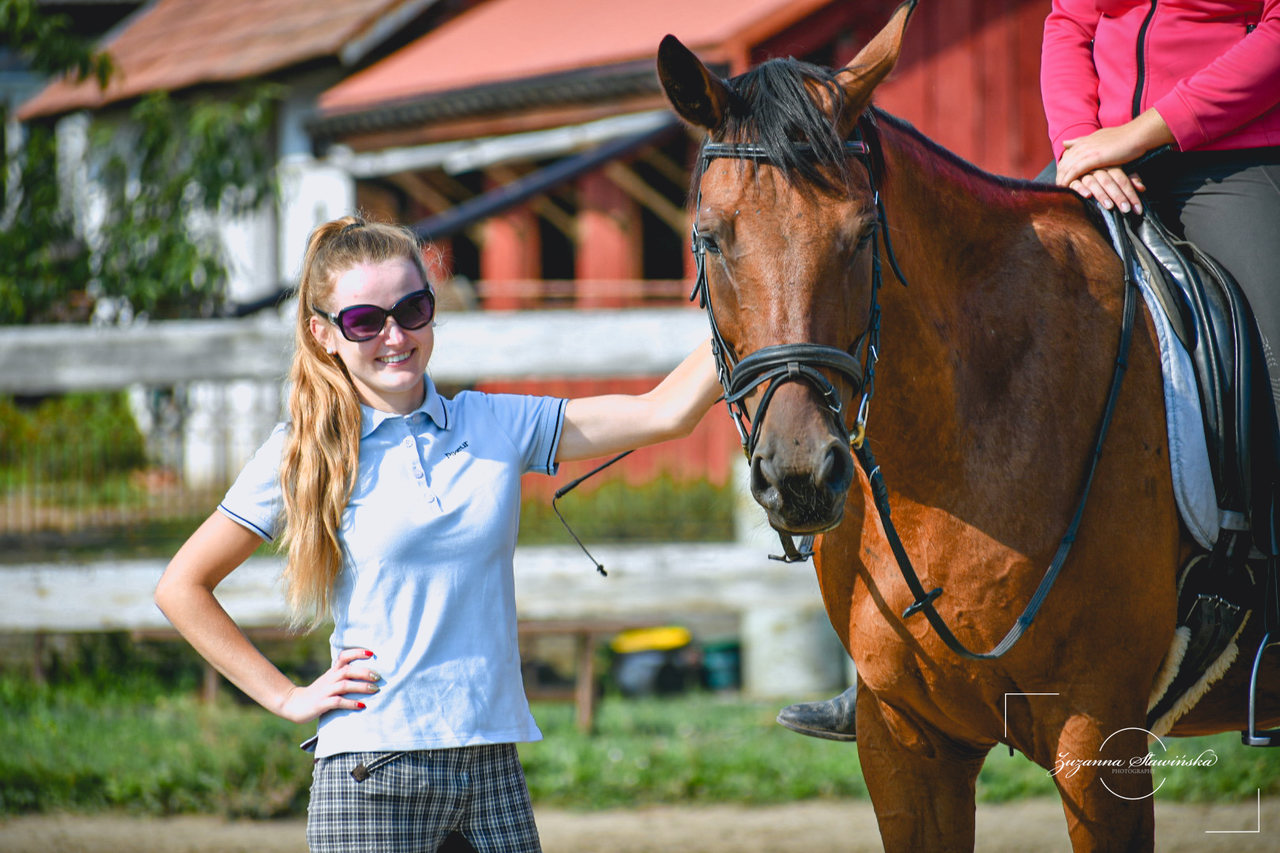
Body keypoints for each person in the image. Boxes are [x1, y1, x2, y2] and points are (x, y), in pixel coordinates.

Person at [777, 0, 1280, 744]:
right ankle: (892, 667)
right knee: (954, 333)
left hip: (1231, 157)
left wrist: (1139, 134)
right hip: (1091, 159)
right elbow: (1070, 22)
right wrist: (1081, 142)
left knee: (1274, 360)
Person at [154, 215, 722, 853]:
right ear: (324, 335)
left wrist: (755, 305)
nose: (394, 336)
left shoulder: (494, 422)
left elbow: (664, 412)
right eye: (366, 321)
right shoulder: (303, 453)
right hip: (373, 772)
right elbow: (182, 586)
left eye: (413, 309)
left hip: (490, 765)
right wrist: (286, 697)